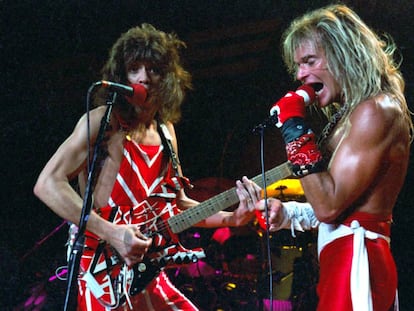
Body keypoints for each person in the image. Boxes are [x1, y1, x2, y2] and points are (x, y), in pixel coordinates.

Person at [34, 23, 261, 310]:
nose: (143, 78)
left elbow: (177, 206)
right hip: (100, 273)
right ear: (121, 75)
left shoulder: (165, 131)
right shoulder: (103, 121)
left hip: (145, 272)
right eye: (134, 69)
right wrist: (111, 232)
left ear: (168, 79)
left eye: (153, 69)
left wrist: (231, 219)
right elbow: (47, 184)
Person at [257, 4, 413, 311]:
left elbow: (329, 207)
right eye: (298, 66)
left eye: (310, 61)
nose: (301, 75)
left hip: (357, 259)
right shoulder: (351, 115)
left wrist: (294, 127)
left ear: (342, 54)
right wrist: (287, 213)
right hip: (342, 257)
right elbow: (337, 205)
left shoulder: (376, 110)